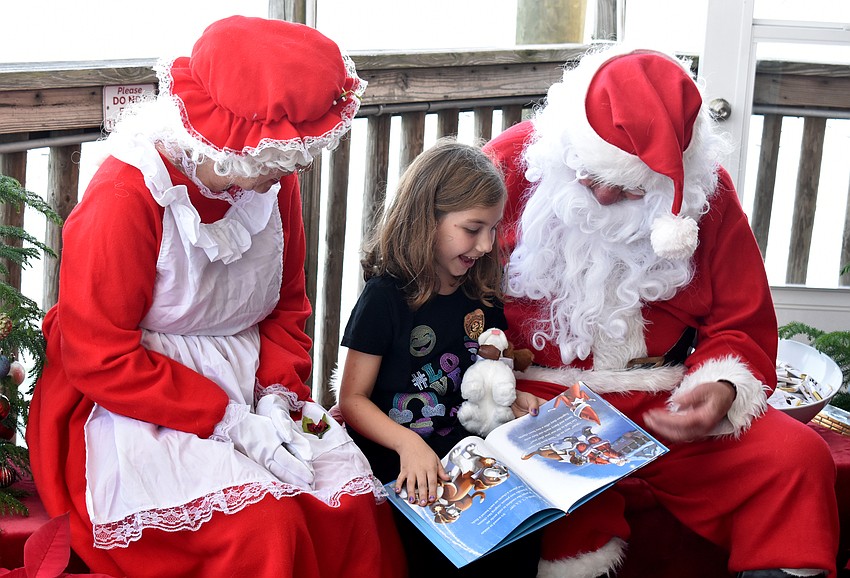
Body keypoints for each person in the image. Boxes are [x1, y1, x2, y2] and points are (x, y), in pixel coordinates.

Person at [26, 16, 405, 578]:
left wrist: (275, 396)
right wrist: (227, 421)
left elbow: (287, 309)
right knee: (264, 528)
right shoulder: (126, 196)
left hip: (253, 385)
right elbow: (98, 355)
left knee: (351, 504)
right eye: (280, 157)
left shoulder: (272, 181)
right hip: (139, 401)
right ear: (225, 142)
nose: (293, 170)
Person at [484, 45, 840, 578]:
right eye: (588, 174)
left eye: (630, 188)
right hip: (537, 402)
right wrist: (492, 384)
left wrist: (720, 388)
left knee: (795, 460)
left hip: (662, 404)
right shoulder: (509, 162)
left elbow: (741, 320)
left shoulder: (705, 192)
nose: (604, 197)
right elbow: (438, 283)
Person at [337, 139, 539, 577]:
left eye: (493, 228)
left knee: (521, 537)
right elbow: (351, 399)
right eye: (473, 228)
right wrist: (408, 444)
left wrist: (513, 400)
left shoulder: (482, 295)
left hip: (466, 450)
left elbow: (484, 370)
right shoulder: (385, 298)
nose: (486, 245)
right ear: (426, 219)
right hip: (399, 455)